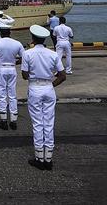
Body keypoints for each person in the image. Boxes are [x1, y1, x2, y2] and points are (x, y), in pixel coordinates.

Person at [21, 25, 67, 171]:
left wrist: (34, 75)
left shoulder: (27, 54)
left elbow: (24, 75)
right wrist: (50, 85)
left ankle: (39, 157)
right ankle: (48, 158)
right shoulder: (53, 54)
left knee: (37, 123)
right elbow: (62, 76)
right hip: (49, 88)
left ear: (33, 39)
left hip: (35, 88)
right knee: (49, 122)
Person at [0, 24, 24, 130]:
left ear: (1, 33)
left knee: (2, 93)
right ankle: (13, 120)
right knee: (12, 94)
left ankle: (3, 120)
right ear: (10, 33)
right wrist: (14, 62)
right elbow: (24, 57)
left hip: (0, 68)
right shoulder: (17, 43)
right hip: (12, 68)